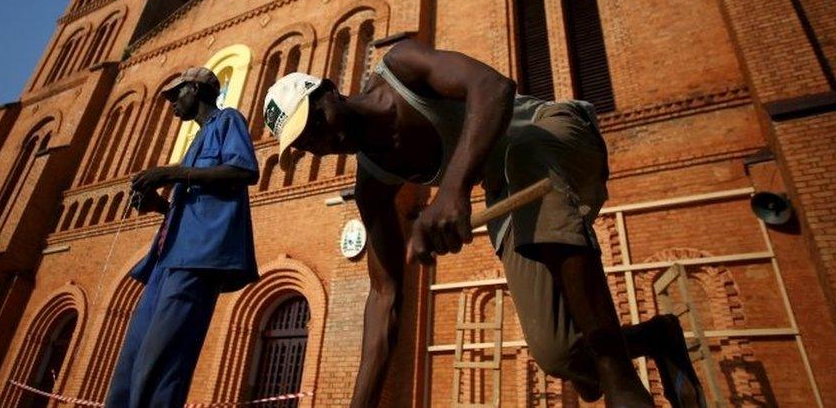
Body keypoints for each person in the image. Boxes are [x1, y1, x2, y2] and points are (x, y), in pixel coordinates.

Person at [263, 39, 705, 407]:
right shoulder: (373, 187)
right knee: (560, 354)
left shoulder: (400, 69)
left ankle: (623, 387)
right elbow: (383, 300)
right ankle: (656, 338)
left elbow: (493, 86)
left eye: (318, 118)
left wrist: (452, 189)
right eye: (310, 142)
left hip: (554, 136)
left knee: (522, 154)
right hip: (514, 195)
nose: (326, 138)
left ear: (330, 90)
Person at [105, 66, 259, 408]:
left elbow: (245, 170)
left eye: (178, 93)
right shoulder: (194, 143)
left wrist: (173, 172)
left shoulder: (227, 120)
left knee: (163, 358)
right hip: (166, 258)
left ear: (198, 89)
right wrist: (158, 204)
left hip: (198, 257)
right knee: (133, 356)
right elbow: (192, 206)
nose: (172, 102)